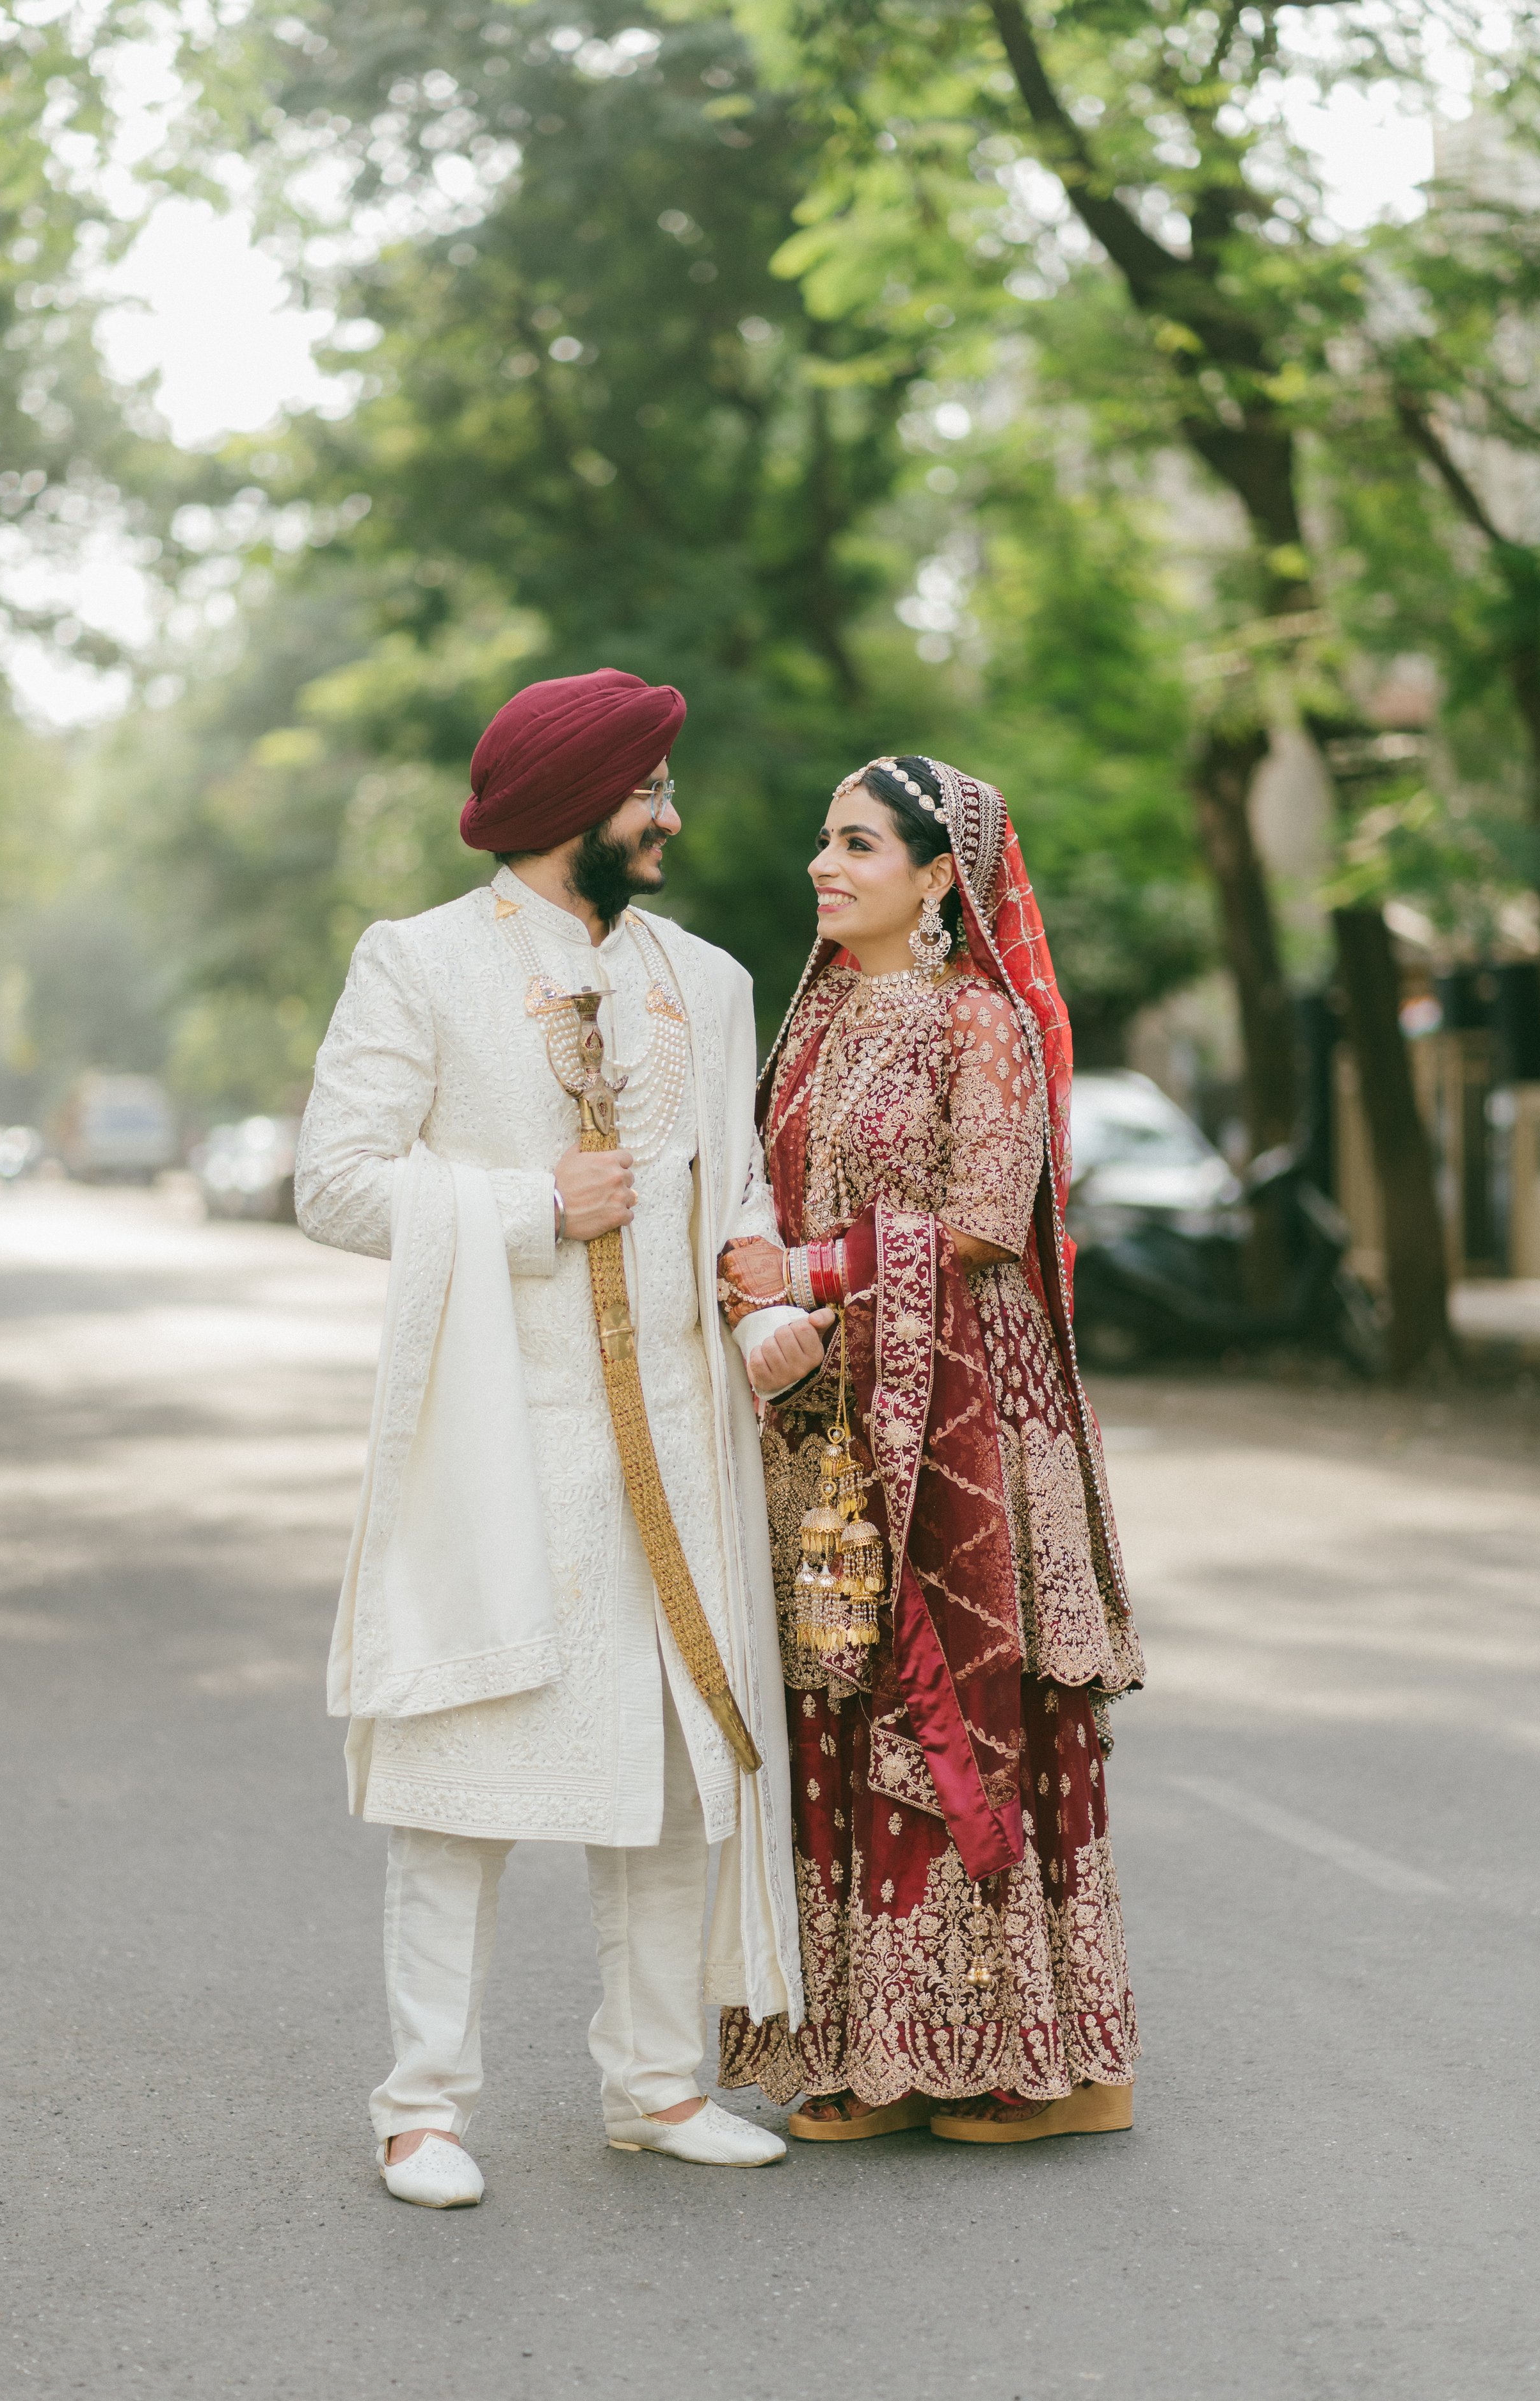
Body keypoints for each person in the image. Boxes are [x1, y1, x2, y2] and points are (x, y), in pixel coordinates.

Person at [296, 668, 806, 2204]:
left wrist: (754, 1261)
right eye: (649, 789)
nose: (670, 813)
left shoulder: (703, 982)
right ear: (570, 807)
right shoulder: (419, 966)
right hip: (492, 1434)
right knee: (462, 1769)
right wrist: (527, 1210)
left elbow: (734, 1190)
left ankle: (655, 2086)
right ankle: (423, 2109)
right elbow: (332, 1181)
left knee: (666, 1772)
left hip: (674, 1437)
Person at [717, 754, 1144, 2144]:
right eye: (821, 842)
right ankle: (872, 2050)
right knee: (839, 1686)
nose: (821, 868)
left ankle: (1035, 2063)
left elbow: (971, 1222)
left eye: (853, 845)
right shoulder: (818, 1022)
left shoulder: (980, 1024)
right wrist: (763, 1285)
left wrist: (796, 1271)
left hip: (971, 1409)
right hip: (838, 1397)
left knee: (971, 1700)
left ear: (934, 876)